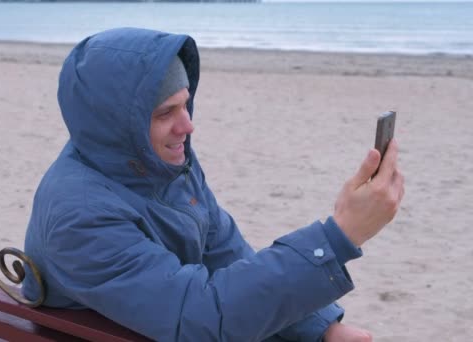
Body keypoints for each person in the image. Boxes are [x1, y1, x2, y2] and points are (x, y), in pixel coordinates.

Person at [22, 28, 404, 342]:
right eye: (165, 113)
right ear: (120, 126)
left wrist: (322, 328)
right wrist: (339, 237)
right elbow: (201, 318)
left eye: (185, 104)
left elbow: (226, 255)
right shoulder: (80, 215)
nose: (187, 126)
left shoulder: (159, 163)